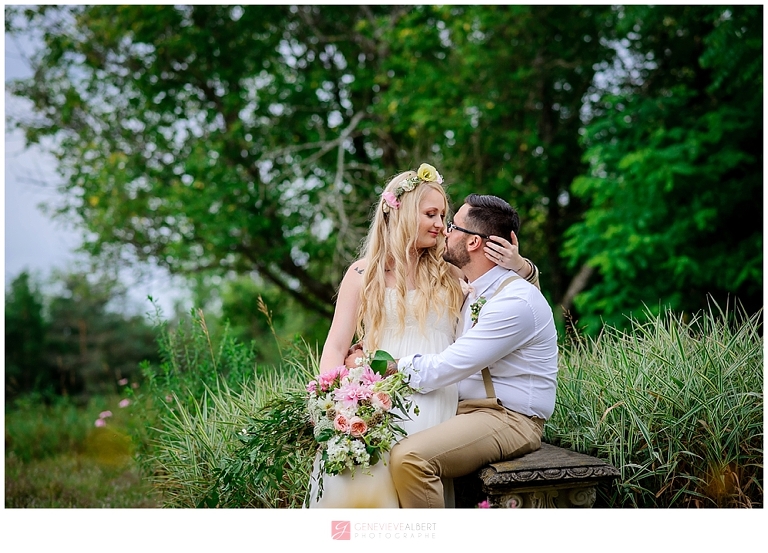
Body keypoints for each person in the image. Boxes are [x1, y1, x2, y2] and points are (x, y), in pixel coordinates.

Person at [306, 165, 540, 508]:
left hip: (436, 395)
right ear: (399, 214)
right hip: (376, 397)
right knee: (363, 492)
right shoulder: (361, 274)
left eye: (444, 215)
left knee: (412, 480)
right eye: (431, 214)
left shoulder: (451, 271)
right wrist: (334, 402)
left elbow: (512, 301)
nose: (441, 225)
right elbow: (336, 346)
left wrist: (523, 266)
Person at [387, 193, 559, 508]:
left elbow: (447, 366)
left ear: (473, 243)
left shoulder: (514, 302)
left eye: (453, 226)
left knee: (409, 458)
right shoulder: (476, 288)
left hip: (508, 417)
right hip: (472, 409)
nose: (444, 231)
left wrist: (391, 366)